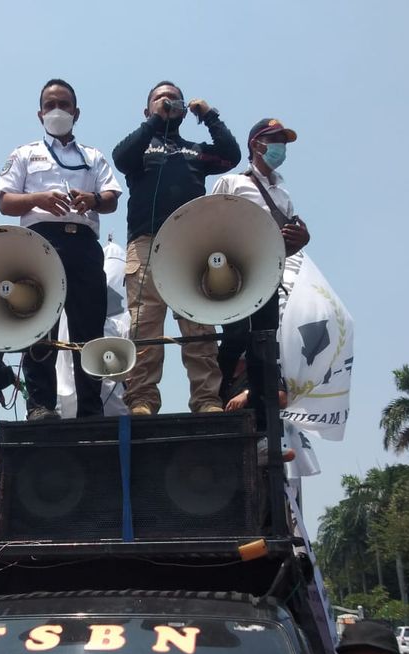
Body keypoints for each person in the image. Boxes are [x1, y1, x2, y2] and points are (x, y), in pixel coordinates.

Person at [0, 78, 122, 421]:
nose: (57, 111)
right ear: (39, 113)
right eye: (50, 105)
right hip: (39, 244)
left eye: (64, 105)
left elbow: (111, 199)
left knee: (88, 328)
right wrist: (39, 199)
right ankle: (40, 406)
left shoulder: (93, 157)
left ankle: (91, 410)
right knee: (40, 324)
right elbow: (5, 201)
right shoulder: (24, 153)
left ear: (76, 112)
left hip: (82, 244)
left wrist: (91, 199)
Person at [111, 81, 240, 416]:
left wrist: (209, 115)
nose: (167, 101)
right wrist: (155, 120)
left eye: (173, 98)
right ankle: (142, 399)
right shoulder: (141, 147)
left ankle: (206, 399)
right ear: (147, 108)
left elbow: (231, 154)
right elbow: (120, 158)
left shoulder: (197, 150)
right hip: (146, 242)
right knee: (145, 324)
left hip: (190, 245)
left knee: (199, 325)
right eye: (159, 98)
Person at [210, 118, 311, 431]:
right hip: (236, 271)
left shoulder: (283, 195)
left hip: (268, 274)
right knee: (235, 335)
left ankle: (262, 416)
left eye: (283, 141)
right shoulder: (231, 183)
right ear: (257, 144)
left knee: (264, 343)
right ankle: (214, 398)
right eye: (275, 140)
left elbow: (287, 244)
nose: (280, 147)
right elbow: (208, 222)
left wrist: (301, 240)